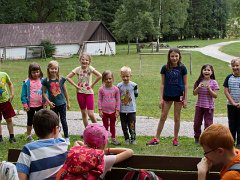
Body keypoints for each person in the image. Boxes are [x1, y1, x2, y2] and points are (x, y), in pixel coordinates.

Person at [56, 123, 134, 179]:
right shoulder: (104, 159)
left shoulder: (75, 152)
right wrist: (107, 150)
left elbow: (77, 142)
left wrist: (85, 147)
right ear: (104, 144)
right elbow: (129, 152)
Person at [146, 48, 188, 146]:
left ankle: (175, 139)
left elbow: (186, 84)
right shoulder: (165, 68)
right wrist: (161, 98)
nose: (174, 58)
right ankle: (156, 138)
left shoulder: (183, 68)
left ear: (179, 56)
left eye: (176, 56)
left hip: (179, 95)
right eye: (172, 56)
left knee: (177, 118)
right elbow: (162, 84)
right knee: (163, 116)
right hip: (167, 95)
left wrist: (185, 98)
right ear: (169, 57)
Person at [16, 109, 68, 180]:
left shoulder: (28, 149)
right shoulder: (63, 144)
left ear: (34, 129)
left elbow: (21, 178)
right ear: (56, 130)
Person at [66, 53, 102, 128]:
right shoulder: (77, 69)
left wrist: (92, 85)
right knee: (84, 113)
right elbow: (68, 77)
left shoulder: (90, 68)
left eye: (86, 60)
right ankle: (87, 129)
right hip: (80, 93)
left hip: (89, 93)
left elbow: (100, 75)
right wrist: (76, 86)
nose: (84, 61)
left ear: (89, 61)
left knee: (90, 114)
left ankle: (99, 129)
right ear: (80, 60)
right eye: (83, 59)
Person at [42, 60, 70, 144]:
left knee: (63, 120)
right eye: (52, 68)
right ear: (48, 69)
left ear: (58, 69)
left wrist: (68, 102)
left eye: (55, 68)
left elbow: (65, 91)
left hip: (62, 104)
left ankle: (66, 137)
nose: (54, 70)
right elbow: (43, 93)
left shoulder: (61, 79)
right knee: (55, 121)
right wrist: (49, 102)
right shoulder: (46, 81)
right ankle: (56, 136)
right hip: (53, 105)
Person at [193, 64, 219, 143]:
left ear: (211, 72)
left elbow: (215, 96)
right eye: (205, 70)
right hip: (199, 106)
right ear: (202, 71)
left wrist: (209, 89)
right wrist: (199, 87)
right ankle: (197, 137)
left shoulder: (214, 82)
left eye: (208, 70)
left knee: (208, 125)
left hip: (209, 107)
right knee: (196, 123)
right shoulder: (199, 81)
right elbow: (194, 93)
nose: (206, 71)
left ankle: (206, 139)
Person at [21, 63, 45, 142]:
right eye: (33, 72)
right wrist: (25, 104)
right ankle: (28, 135)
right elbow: (23, 95)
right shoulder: (26, 82)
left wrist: (45, 103)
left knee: (41, 120)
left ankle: (41, 135)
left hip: (41, 105)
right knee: (30, 120)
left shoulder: (43, 80)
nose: (36, 74)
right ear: (30, 72)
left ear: (40, 71)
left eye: (37, 72)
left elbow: (46, 92)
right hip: (30, 106)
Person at [98, 70, 121, 145]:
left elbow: (118, 100)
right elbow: (99, 100)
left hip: (113, 111)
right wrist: (100, 110)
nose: (108, 80)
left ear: (113, 79)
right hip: (104, 111)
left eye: (110, 78)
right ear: (103, 80)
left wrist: (117, 110)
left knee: (112, 125)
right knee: (105, 126)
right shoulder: (101, 89)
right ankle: (105, 138)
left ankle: (113, 138)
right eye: (106, 79)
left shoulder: (116, 89)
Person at [117, 66, 138, 145]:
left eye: (127, 76)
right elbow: (118, 97)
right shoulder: (119, 86)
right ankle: (126, 138)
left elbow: (136, 95)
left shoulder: (134, 85)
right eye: (123, 76)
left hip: (131, 110)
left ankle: (133, 138)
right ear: (121, 76)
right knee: (123, 125)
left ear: (130, 76)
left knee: (132, 125)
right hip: (122, 110)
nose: (125, 78)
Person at [223, 58, 240, 148]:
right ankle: (231, 141)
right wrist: (233, 102)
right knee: (232, 124)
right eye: (233, 66)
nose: (235, 67)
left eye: (237, 65)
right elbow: (226, 91)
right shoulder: (229, 77)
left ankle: (239, 143)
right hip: (231, 105)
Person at [0, 71, 16, 143]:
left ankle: (12, 137)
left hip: (5, 101)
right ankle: (0, 138)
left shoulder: (4, 74)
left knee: (9, 119)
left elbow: (10, 84)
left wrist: (12, 94)